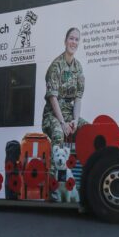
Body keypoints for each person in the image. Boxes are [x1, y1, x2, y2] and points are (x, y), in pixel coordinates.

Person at [42, 28, 88, 195]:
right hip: (53, 115)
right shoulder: (55, 66)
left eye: (77, 39)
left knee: (89, 131)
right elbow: (53, 98)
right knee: (58, 135)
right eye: (71, 38)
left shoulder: (78, 67)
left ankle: (87, 182)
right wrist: (62, 123)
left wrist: (75, 121)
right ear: (65, 40)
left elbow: (78, 97)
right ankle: (54, 187)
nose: (73, 42)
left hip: (70, 115)